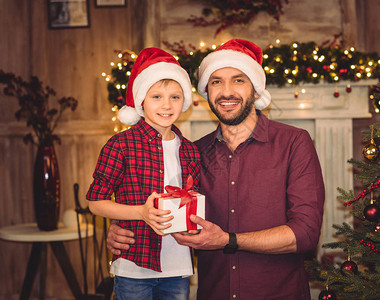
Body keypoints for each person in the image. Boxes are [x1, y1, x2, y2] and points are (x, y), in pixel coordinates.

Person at [106, 39, 325, 300]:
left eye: (239, 80)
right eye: (216, 82)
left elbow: (306, 234)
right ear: (206, 93)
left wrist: (228, 240)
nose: (227, 92)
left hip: (277, 293)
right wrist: (124, 227)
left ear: (255, 90)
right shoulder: (191, 152)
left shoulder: (293, 142)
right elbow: (154, 205)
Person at [86, 47, 200, 300]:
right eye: (157, 96)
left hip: (178, 267)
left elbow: (192, 201)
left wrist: (194, 224)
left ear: (185, 102)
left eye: (175, 97)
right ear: (141, 101)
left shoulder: (191, 151)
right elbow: (95, 202)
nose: (167, 105)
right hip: (134, 266)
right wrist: (140, 212)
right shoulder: (121, 145)